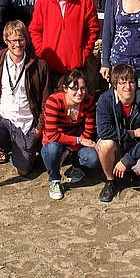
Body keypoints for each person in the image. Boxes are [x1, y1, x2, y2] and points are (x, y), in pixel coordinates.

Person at [0, 21, 50, 199]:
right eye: (12, 40)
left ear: (27, 40)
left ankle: (18, 147)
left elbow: (46, 100)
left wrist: (40, 126)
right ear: (6, 40)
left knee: (23, 171)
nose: (17, 45)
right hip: (3, 117)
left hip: (26, 123)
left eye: (21, 40)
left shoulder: (39, 65)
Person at [29, 0, 100, 86]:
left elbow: (92, 30)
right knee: (53, 104)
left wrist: (83, 53)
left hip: (77, 67)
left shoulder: (84, 1)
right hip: (51, 68)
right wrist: (42, 52)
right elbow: (35, 31)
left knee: (79, 103)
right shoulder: (42, 3)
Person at [95, 64, 140, 202]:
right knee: (106, 144)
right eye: (122, 83)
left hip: (137, 147)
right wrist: (132, 133)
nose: (128, 87)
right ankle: (110, 181)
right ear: (114, 85)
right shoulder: (105, 100)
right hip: (115, 144)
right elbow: (104, 131)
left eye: (131, 81)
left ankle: (131, 170)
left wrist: (127, 160)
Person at [41, 70, 99, 200]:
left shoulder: (88, 101)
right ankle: (55, 179)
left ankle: (75, 167)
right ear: (65, 88)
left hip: (76, 142)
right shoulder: (53, 101)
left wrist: (70, 148)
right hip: (56, 142)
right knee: (52, 149)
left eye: (83, 88)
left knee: (92, 158)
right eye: (75, 88)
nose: (80, 93)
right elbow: (52, 135)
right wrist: (78, 140)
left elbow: (89, 132)